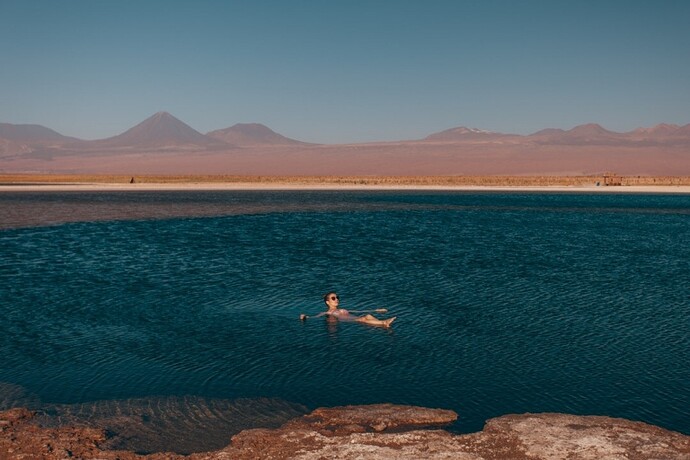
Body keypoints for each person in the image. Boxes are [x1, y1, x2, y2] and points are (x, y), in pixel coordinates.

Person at [300, 292, 396, 328]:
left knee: (367, 316)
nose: (336, 299)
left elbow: (358, 311)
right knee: (362, 319)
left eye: (337, 297)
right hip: (350, 320)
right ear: (327, 302)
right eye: (333, 298)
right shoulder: (328, 312)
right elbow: (316, 316)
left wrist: (376, 310)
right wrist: (306, 317)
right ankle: (384, 323)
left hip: (355, 317)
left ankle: (383, 324)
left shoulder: (342, 309)